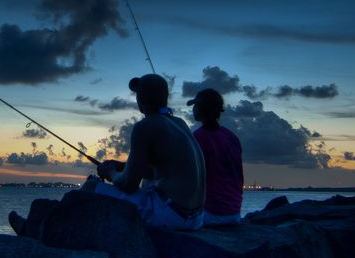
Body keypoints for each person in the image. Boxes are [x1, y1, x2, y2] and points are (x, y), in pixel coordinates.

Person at [80, 74, 206, 230]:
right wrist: (122, 166)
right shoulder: (180, 123)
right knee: (149, 184)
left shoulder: (145, 126)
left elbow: (128, 185)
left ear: (140, 99)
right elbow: (160, 171)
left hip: (173, 216)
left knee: (90, 187)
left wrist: (111, 172)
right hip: (197, 217)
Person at [187, 88, 243, 225]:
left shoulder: (198, 137)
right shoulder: (232, 137)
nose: (193, 109)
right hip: (235, 214)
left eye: (196, 106)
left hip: (210, 214)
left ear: (201, 108)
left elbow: (191, 177)